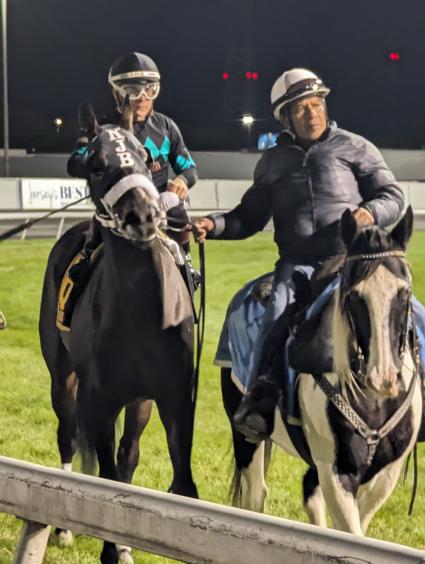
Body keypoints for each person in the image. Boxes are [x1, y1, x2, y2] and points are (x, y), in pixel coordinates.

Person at [194, 67, 406, 440]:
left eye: (316, 103)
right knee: (276, 309)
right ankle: (261, 398)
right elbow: (248, 217)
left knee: (411, 311)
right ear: (286, 117)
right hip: (299, 267)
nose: (312, 113)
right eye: (302, 108)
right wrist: (213, 225)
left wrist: (369, 212)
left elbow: (393, 196)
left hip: (354, 262)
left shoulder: (356, 147)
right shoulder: (273, 163)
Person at [64, 52, 200, 325]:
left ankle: (186, 279)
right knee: (83, 263)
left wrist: (182, 182)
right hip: (117, 214)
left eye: (150, 90)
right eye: (132, 90)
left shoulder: (167, 128)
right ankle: (71, 310)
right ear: (116, 92)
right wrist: (96, 159)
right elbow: (75, 162)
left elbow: (189, 168)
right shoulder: (100, 130)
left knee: (182, 240)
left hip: (160, 208)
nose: (142, 97)